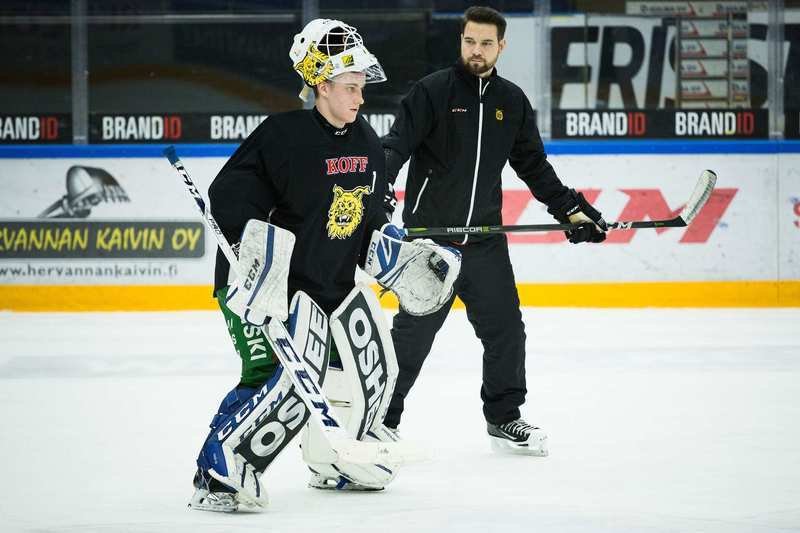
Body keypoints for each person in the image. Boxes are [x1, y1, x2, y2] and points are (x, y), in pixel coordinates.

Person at [189, 18, 461, 512]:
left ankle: (333, 460)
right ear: (321, 84)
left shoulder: (367, 144)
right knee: (273, 376)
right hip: (261, 291)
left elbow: (372, 217)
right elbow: (228, 201)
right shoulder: (281, 136)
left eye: (361, 87)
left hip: (329, 290)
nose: (360, 98)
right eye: (351, 87)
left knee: (367, 368)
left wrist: (393, 251)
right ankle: (216, 471)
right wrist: (262, 269)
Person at [381, 6, 607, 456]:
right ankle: (379, 419)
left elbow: (533, 167)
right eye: (470, 41)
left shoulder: (512, 101)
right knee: (411, 340)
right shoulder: (432, 93)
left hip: (484, 241)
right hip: (430, 242)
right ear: (460, 42)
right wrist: (378, 189)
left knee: (506, 331)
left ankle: (504, 417)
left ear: (501, 46)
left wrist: (571, 211)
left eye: (486, 43)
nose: (476, 51)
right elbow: (395, 147)